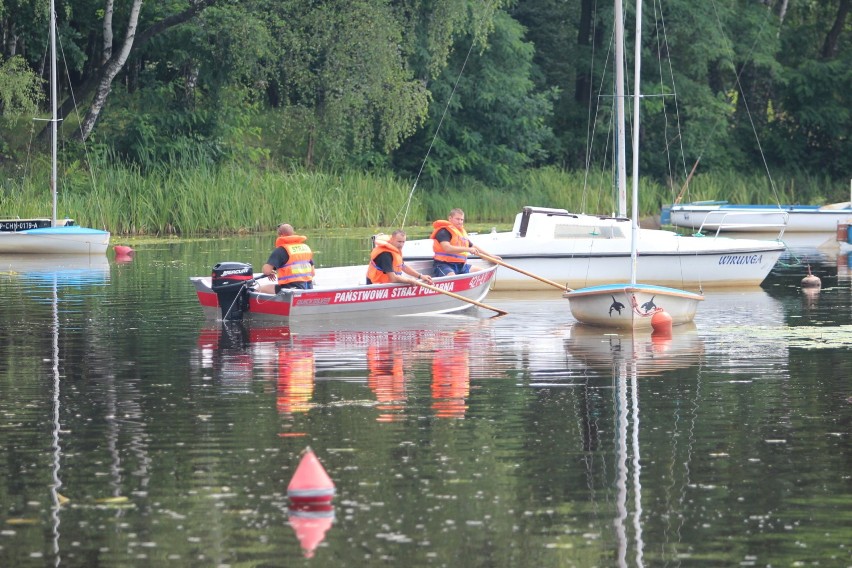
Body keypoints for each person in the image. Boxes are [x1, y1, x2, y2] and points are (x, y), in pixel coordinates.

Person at [431, 208, 500, 276]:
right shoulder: (443, 231)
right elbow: (447, 248)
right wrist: (468, 249)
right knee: (452, 277)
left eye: (462, 219)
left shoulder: (460, 234)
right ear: (450, 218)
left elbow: (473, 247)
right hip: (444, 265)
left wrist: (491, 257)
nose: (460, 222)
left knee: (483, 272)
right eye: (457, 219)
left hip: (461, 266)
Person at [259, 223, 315, 293]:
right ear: (293, 233)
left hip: (289, 289)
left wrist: (269, 272)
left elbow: (266, 271)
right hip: (308, 287)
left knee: (259, 289)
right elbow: (312, 273)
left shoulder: (281, 250)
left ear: (280, 235)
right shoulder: (305, 248)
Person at [366, 230, 435, 285]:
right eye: (399, 242)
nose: (401, 245)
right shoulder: (385, 254)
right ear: (392, 239)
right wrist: (410, 281)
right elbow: (393, 278)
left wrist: (420, 276)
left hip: (387, 283)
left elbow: (403, 266)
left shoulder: (395, 250)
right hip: (376, 285)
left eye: (403, 242)